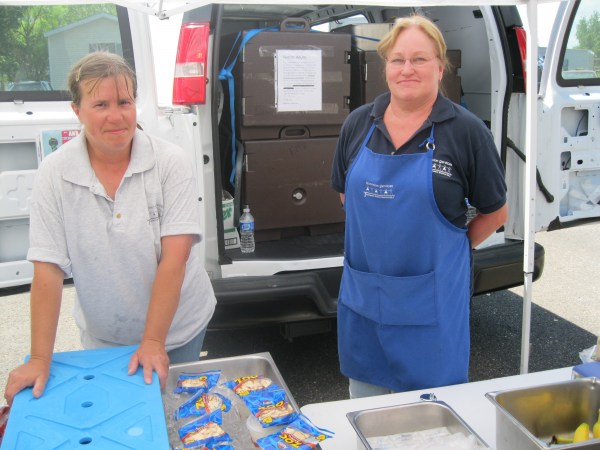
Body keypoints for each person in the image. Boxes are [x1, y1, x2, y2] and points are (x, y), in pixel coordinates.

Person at [3, 52, 216, 406]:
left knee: (177, 417)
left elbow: (174, 261)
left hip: (178, 330)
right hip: (105, 335)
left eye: (125, 101)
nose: (116, 116)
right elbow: (48, 269)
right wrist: (40, 359)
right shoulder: (54, 173)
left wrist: (153, 342)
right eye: (100, 104)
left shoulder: (169, 162)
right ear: (77, 110)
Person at [331, 15, 508, 399]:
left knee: (432, 424)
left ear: (440, 67)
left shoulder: (466, 131)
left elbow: (496, 212)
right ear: (386, 68)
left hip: (432, 311)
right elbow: (348, 196)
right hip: (365, 302)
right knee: (366, 416)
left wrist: (449, 252)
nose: (407, 69)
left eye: (420, 59)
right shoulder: (359, 124)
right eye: (397, 60)